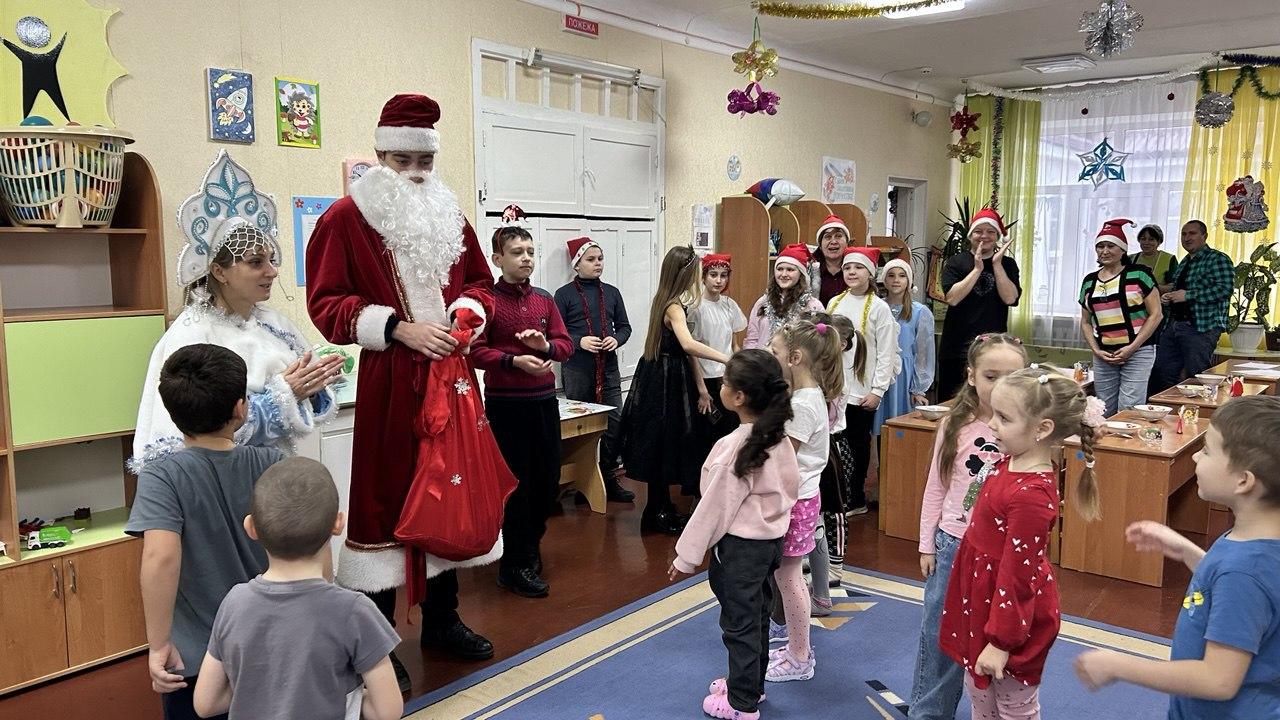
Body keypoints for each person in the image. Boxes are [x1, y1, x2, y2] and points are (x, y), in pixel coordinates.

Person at [305, 93, 498, 687]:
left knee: (451, 489)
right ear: (380, 155)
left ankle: (443, 619)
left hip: (454, 382)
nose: (414, 174)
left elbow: (480, 285)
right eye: (401, 161)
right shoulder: (344, 219)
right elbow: (326, 304)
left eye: (425, 163)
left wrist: (466, 314)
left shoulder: (450, 213)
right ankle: (377, 643)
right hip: (391, 384)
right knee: (387, 501)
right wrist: (398, 328)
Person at [1075, 395, 1280, 719]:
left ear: (1244, 481)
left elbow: (1219, 679)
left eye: (1208, 450)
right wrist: (1188, 552)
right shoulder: (1257, 543)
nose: (1196, 456)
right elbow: (1234, 594)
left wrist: (1120, 665)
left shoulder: (1243, 573)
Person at [132, 154, 340, 472]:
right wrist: (282, 396)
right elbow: (193, 437)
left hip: (278, 477)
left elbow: (310, 400)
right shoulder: (192, 335)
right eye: (256, 262)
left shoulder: (275, 324)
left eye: (271, 260)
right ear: (219, 271)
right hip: (224, 484)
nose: (271, 272)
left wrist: (315, 384)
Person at [125, 344, 285, 720]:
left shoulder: (161, 476)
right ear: (241, 409)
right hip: (271, 646)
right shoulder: (274, 464)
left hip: (197, 658)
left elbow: (160, 557)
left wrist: (158, 644)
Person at [940, 366, 1104, 720]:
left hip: (1009, 618)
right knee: (980, 696)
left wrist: (1000, 643)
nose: (993, 425)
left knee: (1013, 707)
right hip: (983, 600)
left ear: (1042, 429)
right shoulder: (1008, 461)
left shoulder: (1032, 494)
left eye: (1004, 417)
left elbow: (1017, 576)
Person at [192, 458, 402, 720]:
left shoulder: (234, 603)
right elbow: (388, 711)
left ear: (251, 527)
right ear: (338, 524)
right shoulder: (354, 611)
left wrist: (263, 693)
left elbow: (205, 703)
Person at [668, 349, 800, 720]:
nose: (722, 387)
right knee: (756, 615)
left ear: (738, 397)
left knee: (739, 624)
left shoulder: (735, 448)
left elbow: (713, 509)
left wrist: (686, 557)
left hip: (740, 550)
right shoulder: (778, 437)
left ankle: (741, 704)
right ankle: (751, 687)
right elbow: (791, 489)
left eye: (725, 383)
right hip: (769, 544)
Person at [909, 333, 1027, 720]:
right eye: (992, 376)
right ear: (971, 376)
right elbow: (936, 487)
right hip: (953, 546)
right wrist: (927, 543)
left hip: (1001, 554)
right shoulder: (954, 425)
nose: (1002, 387)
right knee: (939, 636)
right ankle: (929, 712)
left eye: (1013, 377)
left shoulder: (1027, 432)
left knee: (995, 640)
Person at [471, 220, 573, 599]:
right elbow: (474, 350)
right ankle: (514, 563)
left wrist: (545, 348)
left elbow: (565, 345)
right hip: (506, 408)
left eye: (530, 251)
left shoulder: (544, 300)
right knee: (516, 486)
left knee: (547, 483)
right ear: (498, 258)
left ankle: (529, 548)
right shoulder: (486, 302)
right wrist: (514, 361)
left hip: (544, 403)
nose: (526, 258)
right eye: (517, 252)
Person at [619, 246, 730, 535]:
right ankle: (656, 511)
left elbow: (687, 350)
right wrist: (727, 358)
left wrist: (701, 387)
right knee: (662, 442)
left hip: (668, 375)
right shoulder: (672, 306)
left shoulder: (668, 300)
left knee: (665, 443)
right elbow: (689, 345)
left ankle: (662, 508)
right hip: (664, 381)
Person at [762, 318, 845, 682]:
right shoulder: (806, 397)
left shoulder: (803, 404)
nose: (770, 355)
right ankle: (796, 644)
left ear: (794, 358)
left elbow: (783, 457)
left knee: (790, 576)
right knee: (786, 573)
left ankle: (799, 655)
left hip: (796, 502)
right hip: (801, 498)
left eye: (775, 351)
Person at [554, 235, 635, 503]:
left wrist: (616, 339)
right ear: (577, 264)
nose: (598, 263)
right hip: (577, 369)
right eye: (591, 259)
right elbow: (555, 333)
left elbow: (625, 327)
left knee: (614, 424)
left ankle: (607, 478)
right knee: (582, 428)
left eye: (600, 259)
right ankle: (580, 483)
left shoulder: (611, 292)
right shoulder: (563, 295)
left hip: (608, 369)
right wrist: (579, 341)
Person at [828, 245, 900, 515]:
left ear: (870, 273)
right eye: (847, 267)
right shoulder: (834, 303)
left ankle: (856, 497)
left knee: (858, 444)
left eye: (858, 267)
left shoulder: (879, 308)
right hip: (837, 389)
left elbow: (886, 352)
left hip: (862, 392)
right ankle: (838, 494)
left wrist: (878, 390)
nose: (851, 272)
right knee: (837, 444)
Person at [1078, 219, 1164, 416]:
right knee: (1102, 407)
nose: (1105, 251)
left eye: (1111, 246)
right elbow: (1085, 321)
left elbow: (1156, 314)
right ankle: (1104, 446)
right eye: (1100, 246)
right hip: (1104, 354)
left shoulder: (1140, 275)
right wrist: (1096, 350)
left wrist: (1132, 348)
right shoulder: (1089, 281)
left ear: (1123, 250)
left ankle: (1125, 445)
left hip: (1138, 351)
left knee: (1129, 408)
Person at [937, 208, 1021, 401]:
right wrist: (977, 269)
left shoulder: (1008, 264)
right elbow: (952, 298)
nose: (984, 236)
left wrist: (997, 265)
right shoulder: (956, 262)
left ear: (998, 236)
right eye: (979, 231)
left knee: (992, 401)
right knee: (953, 403)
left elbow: (1010, 298)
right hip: (956, 349)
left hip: (993, 348)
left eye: (990, 232)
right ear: (971, 235)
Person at [1150, 220, 1235, 394]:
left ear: (1204, 236)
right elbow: (1179, 288)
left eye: (1192, 233)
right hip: (1174, 324)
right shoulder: (1185, 261)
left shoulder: (1217, 258)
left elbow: (1224, 289)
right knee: (1163, 372)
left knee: (1197, 374)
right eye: (1183, 234)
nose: (1187, 238)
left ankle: (1200, 416)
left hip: (1201, 327)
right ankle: (1169, 412)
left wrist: (1188, 295)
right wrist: (1169, 296)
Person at [689, 253, 749, 460]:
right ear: (704, 277)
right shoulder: (696, 308)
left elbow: (734, 344)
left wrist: (740, 372)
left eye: (723, 276)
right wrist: (702, 389)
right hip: (706, 378)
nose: (719, 280)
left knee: (730, 430)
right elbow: (693, 352)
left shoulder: (729, 305)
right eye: (713, 275)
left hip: (728, 377)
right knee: (707, 436)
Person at [875, 258, 936, 427]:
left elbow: (924, 352)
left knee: (901, 425)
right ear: (884, 280)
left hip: (904, 376)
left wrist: (918, 388)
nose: (896, 280)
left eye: (902, 276)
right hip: (880, 372)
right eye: (891, 275)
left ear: (909, 281)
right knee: (880, 427)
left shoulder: (920, 312)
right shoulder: (877, 307)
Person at [745, 244, 824, 349]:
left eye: (790, 270)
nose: (784, 274)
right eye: (780, 269)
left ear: (801, 274)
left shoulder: (813, 305)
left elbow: (819, 342)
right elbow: (752, 339)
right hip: (763, 362)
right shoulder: (763, 302)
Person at [809, 215, 853, 306]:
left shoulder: (856, 269)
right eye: (828, 237)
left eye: (838, 236)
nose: (833, 241)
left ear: (847, 243)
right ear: (820, 246)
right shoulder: (809, 270)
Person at [1129, 224, 1179, 295]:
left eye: (1151, 239)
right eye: (1143, 239)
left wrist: (1152, 288)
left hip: (1160, 302)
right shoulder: (1130, 258)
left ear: (1159, 242)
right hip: (1133, 302)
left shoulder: (1169, 259)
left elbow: (1175, 286)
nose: (1146, 242)